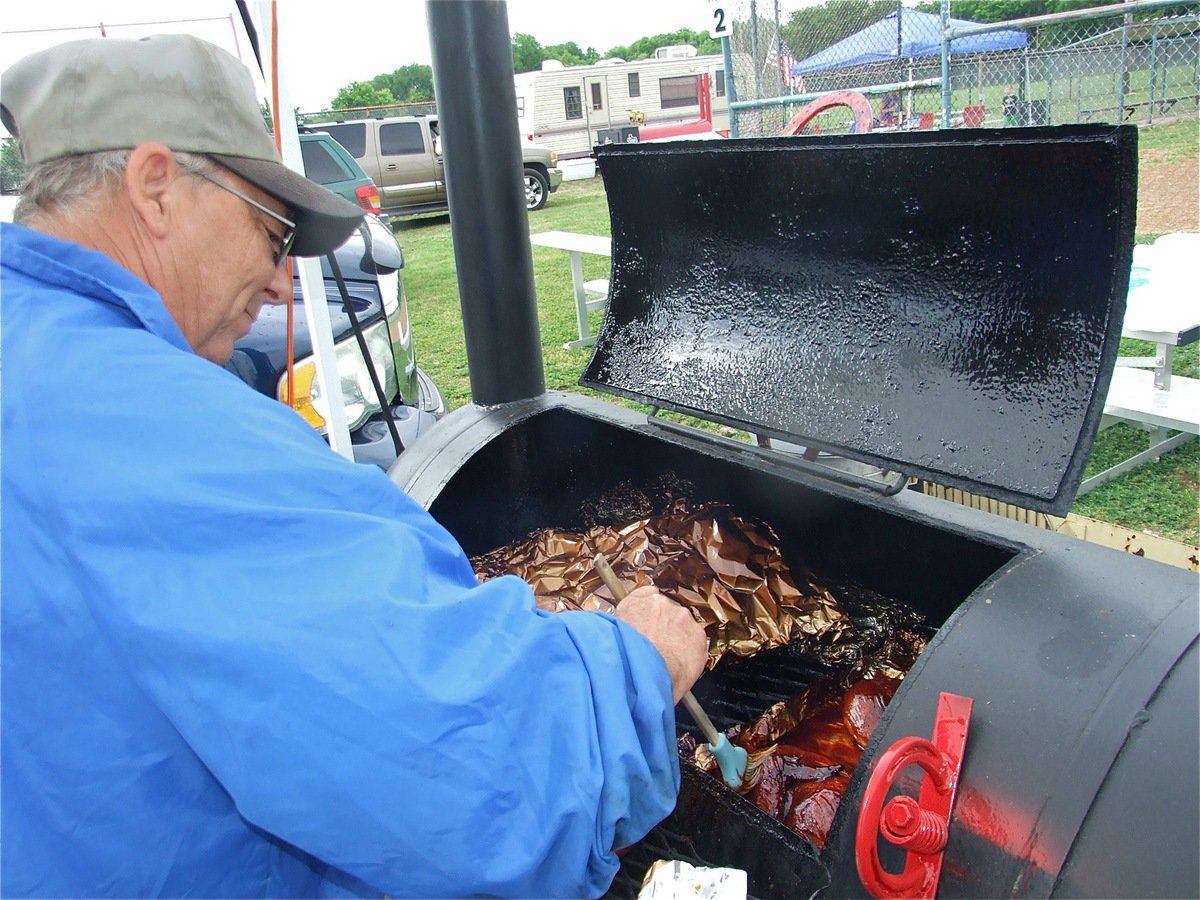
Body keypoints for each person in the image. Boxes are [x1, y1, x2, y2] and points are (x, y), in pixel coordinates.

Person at [0, 34, 709, 898]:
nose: (278, 283)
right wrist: (634, 670)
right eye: (273, 235)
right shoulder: (160, 433)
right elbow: (473, 781)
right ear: (155, 188)